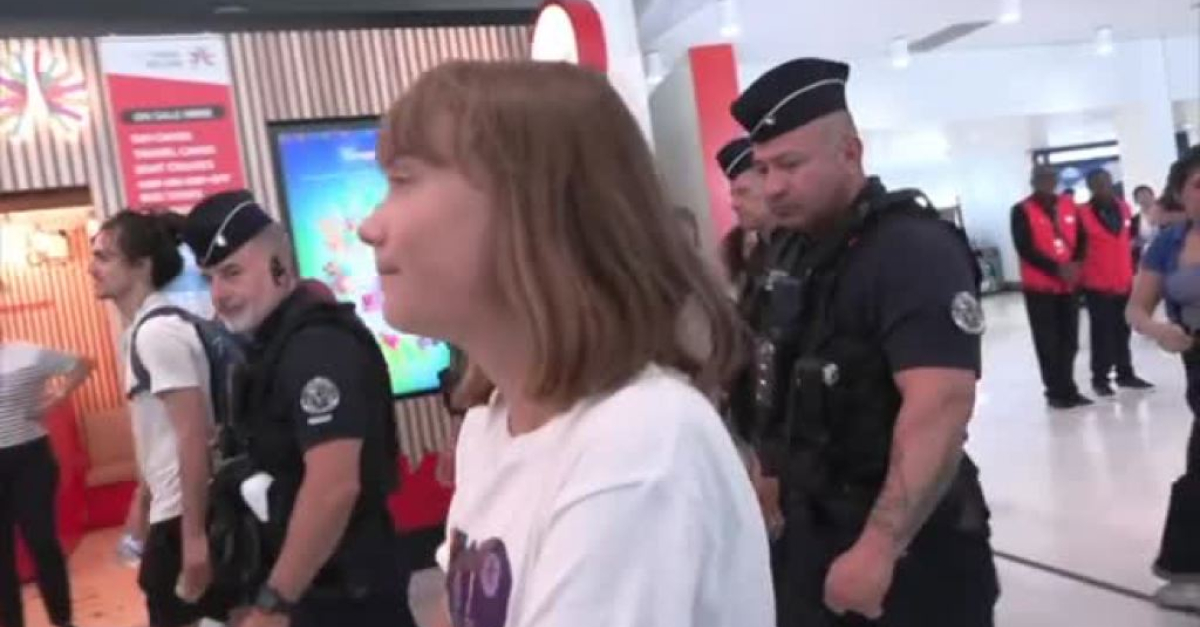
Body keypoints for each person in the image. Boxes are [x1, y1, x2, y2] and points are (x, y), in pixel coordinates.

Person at [358, 60, 773, 627]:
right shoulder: (491, 426)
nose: (370, 226)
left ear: (527, 204)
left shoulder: (635, 438)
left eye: (403, 180)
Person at [727, 58, 998, 626]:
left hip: (910, 548)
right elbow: (782, 377)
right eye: (764, 168)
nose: (773, 186)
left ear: (850, 152)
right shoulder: (793, 252)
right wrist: (771, 474)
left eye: (791, 165)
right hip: (811, 531)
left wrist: (879, 548)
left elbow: (941, 406)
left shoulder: (911, 251)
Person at [179, 189, 412, 627]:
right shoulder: (274, 345)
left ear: (280, 269)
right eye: (210, 279)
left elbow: (332, 487)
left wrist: (274, 603)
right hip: (312, 587)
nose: (219, 294)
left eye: (231, 273)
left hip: (345, 597)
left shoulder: (316, 347)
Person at [89, 210, 230, 627]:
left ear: (141, 266)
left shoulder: (157, 333)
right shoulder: (143, 331)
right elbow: (160, 433)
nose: (91, 268)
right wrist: (143, 498)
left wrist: (193, 538)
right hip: (171, 510)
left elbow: (192, 434)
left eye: (104, 257)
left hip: (185, 514)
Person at [1127, 145, 1200, 612]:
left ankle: (1185, 570)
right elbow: (1136, 308)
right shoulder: (1169, 244)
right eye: (1198, 185)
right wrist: (1159, 331)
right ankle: (1186, 572)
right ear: (1180, 193)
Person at [0, 341, 91, 627]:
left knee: (42, 542)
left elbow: (83, 363)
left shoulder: (27, 354)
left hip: (30, 460)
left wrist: (58, 397)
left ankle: (62, 620)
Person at [1011, 165, 1092, 409]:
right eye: (1042, 178)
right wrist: (1057, 269)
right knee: (1048, 343)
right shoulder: (1021, 210)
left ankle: (1069, 388)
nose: (1048, 182)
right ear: (1033, 181)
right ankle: (1055, 392)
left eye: (1051, 178)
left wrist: (1076, 264)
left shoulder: (1069, 205)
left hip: (1068, 286)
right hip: (1040, 288)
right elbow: (1025, 247)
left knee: (1070, 341)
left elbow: (1082, 237)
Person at [1078, 169, 1153, 396]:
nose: (1103, 188)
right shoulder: (1082, 214)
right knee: (1102, 334)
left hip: (1124, 280)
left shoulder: (1124, 208)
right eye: (1098, 184)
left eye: (1106, 183)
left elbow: (1126, 241)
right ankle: (1100, 379)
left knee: (1123, 331)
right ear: (1090, 187)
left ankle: (1125, 374)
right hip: (1097, 284)